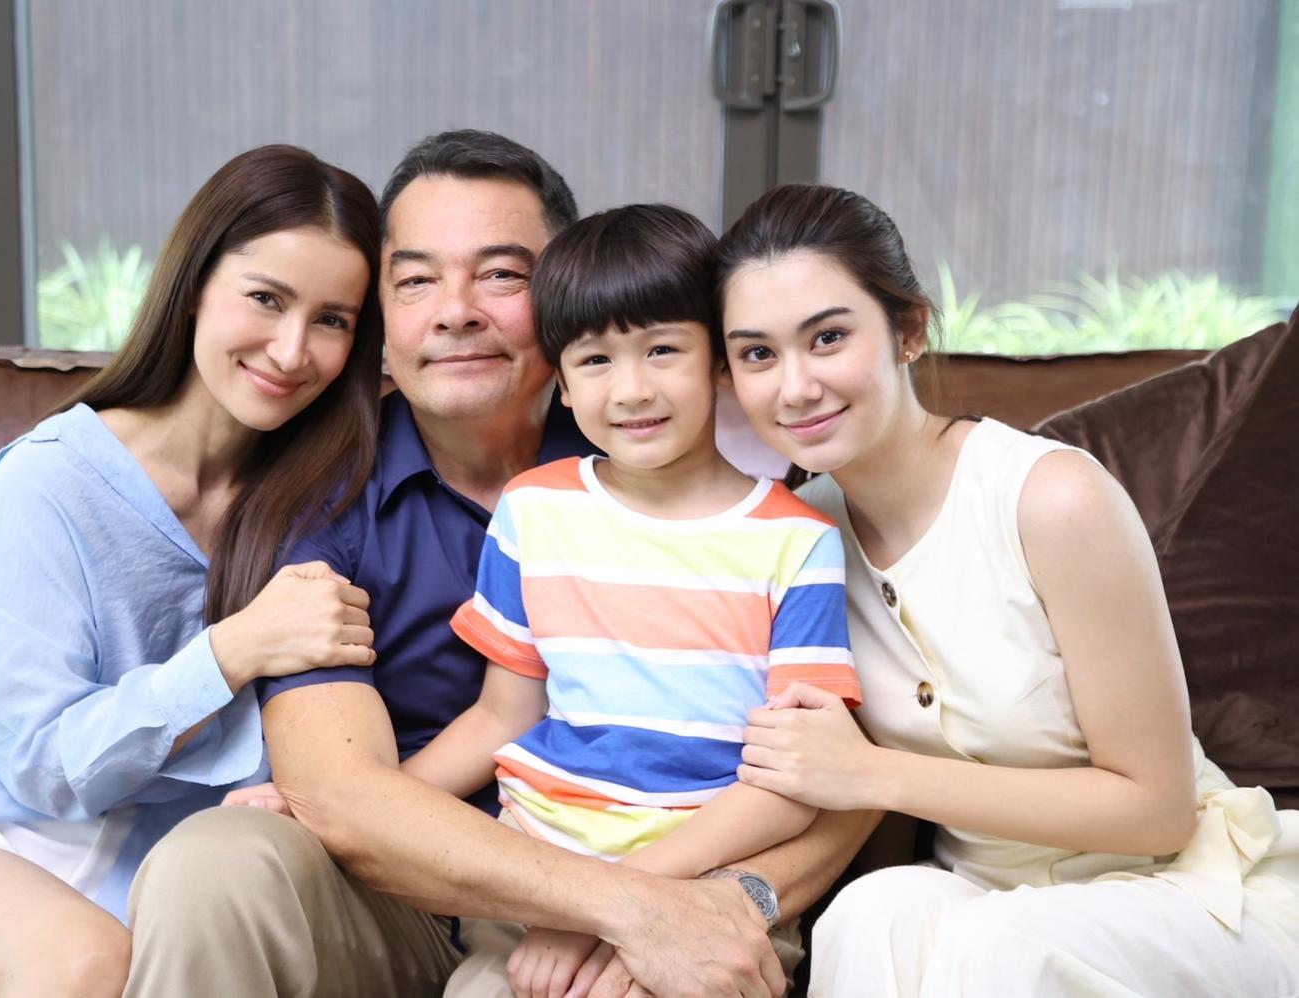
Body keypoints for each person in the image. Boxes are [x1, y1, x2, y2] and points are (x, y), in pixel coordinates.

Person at [124, 132, 882, 998]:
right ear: (380, 314)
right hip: (407, 900)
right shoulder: (324, 500)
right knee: (215, 857)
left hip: (677, 872)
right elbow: (355, 788)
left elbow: (850, 777)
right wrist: (619, 907)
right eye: (416, 281)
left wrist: (699, 905)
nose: (455, 312)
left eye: (499, 275)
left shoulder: (705, 474)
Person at [0, 144, 386, 997]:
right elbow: (42, 762)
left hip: (161, 877)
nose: (292, 349)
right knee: (84, 968)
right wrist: (232, 650)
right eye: (266, 298)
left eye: (332, 320)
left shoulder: (327, 506)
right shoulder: (53, 477)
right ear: (194, 287)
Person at [717, 182, 1299, 996]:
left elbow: (1158, 810)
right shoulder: (798, 538)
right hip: (988, 900)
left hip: (1194, 893)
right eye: (758, 355)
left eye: (829, 338)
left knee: (998, 949)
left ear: (908, 331)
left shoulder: (1051, 499)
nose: (795, 387)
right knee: (871, 913)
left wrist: (875, 774)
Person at [400, 202, 861, 997]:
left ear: (719, 361)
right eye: (595, 360)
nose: (633, 390)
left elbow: (792, 785)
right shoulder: (534, 510)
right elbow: (501, 715)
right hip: (535, 891)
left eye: (662, 350)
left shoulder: (796, 542)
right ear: (561, 382)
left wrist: (617, 904)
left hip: (705, 894)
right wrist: (347, 802)